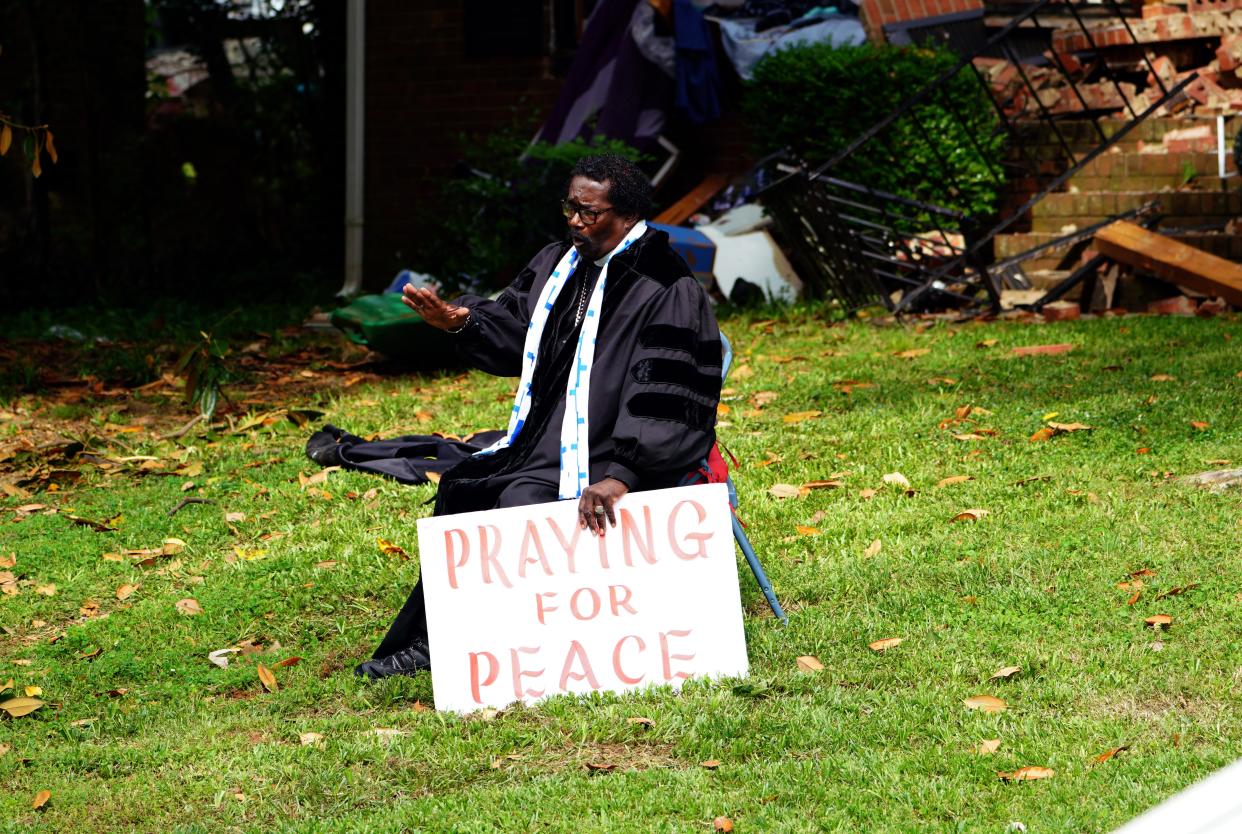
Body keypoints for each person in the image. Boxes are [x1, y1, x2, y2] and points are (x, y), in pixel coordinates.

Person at [355, 154, 723, 680]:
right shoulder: (559, 263)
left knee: (517, 498)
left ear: (626, 214)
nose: (574, 220)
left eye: (588, 211)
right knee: (466, 483)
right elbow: (515, 333)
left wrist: (622, 474)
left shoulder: (664, 282)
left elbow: (671, 394)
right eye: (569, 208)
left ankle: (460, 645)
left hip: (620, 447)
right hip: (548, 435)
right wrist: (462, 323)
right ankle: (443, 639)